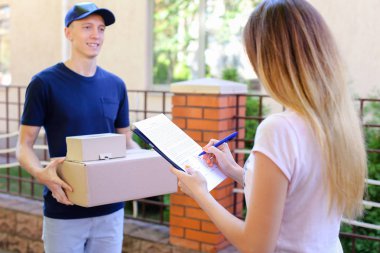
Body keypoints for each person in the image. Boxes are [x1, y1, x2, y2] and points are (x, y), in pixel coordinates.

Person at [170, 0, 367, 252]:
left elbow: (255, 245)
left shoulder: (280, 129)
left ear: (270, 59)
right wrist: (234, 170)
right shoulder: (335, 124)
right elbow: (297, 194)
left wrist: (200, 193)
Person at [16, 2, 139, 253]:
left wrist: (156, 161)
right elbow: (23, 146)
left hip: (111, 209)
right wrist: (42, 174)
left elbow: (126, 143)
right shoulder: (44, 83)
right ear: (68, 33)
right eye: (87, 27)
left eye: (101, 29)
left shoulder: (116, 85)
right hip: (65, 209)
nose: (96, 35)